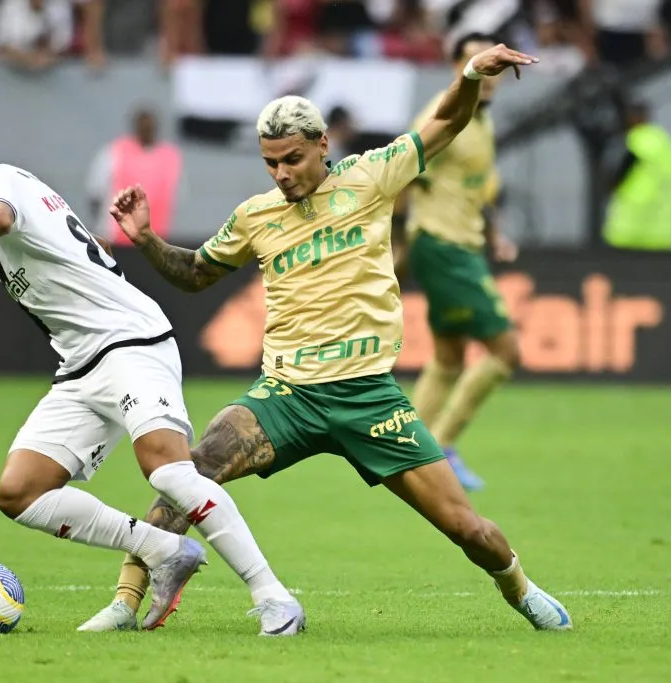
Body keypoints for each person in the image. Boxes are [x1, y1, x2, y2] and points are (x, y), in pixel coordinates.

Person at [80, 44, 573, 634]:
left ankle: (520, 589)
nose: (282, 173)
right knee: (188, 472)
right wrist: (147, 237)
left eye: (292, 158)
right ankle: (126, 600)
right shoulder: (255, 217)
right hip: (287, 396)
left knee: (467, 529)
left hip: (370, 398)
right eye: (271, 163)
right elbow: (196, 273)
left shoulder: (370, 178)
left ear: (322, 146)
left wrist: (468, 75)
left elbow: (445, 121)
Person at [0, 123, 304, 636]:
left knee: (169, 471)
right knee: (20, 491)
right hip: (81, 366)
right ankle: (162, 550)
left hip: (130, 342)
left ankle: (275, 599)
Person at [393, 33, 521, 493]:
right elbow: (403, 169)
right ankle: (442, 447)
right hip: (441, 244)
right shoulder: (440, 114)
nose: (490, 73)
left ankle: (408, 450)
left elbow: (479, 188)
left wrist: (496, 233)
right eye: (476, 62)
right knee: (506, 351)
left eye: (496, 66)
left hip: (460, 244)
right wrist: (400, 243)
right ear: (456, 66)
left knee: (448, 358)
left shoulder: (480, 119)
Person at [85, 108, 183, 245]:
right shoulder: (114, 151)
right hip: (116, 239)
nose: (147, 130)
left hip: (156, 243)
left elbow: (176, 196)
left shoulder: (171, 156)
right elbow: (95, 193)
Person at [603, 100, 671, 251]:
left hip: (630, 231)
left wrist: (610, 184)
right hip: (662, 234)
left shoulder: (637, 141)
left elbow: (619, 173)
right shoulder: (666, 144)